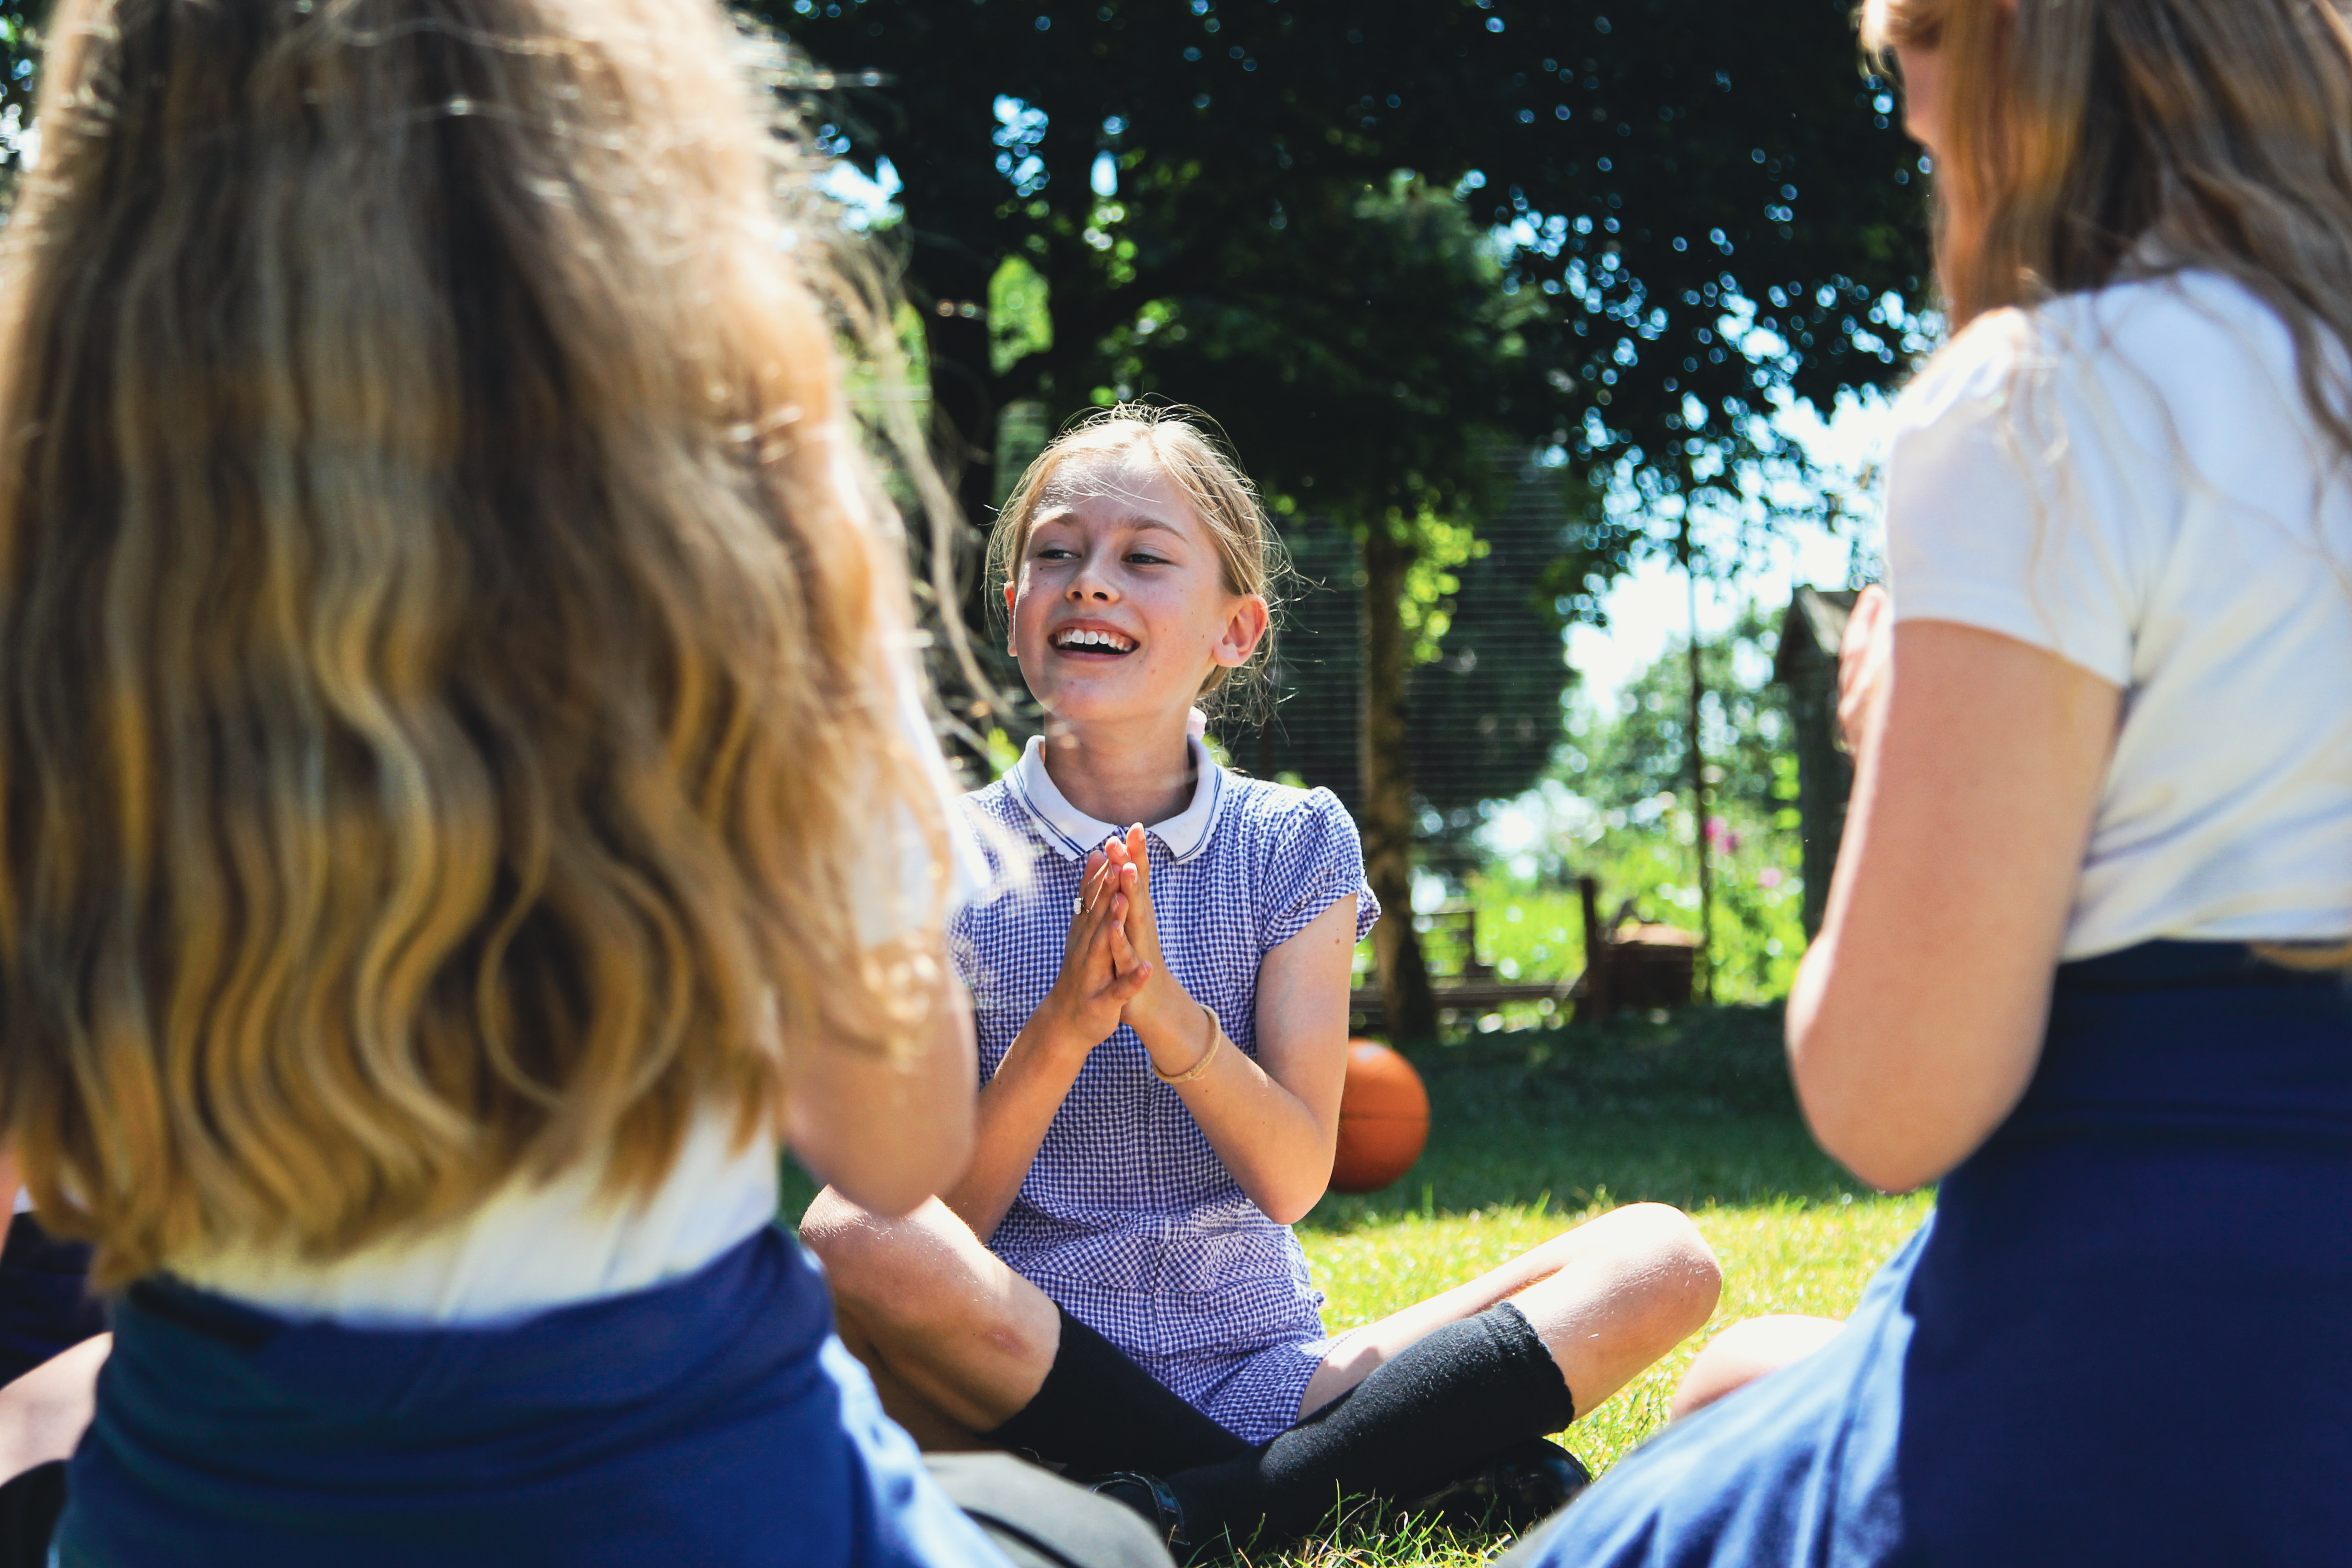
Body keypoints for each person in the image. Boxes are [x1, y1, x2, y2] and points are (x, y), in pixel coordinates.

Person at [0, 1, 1171, 1564]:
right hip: (717, 1515)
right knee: (1091, 1541)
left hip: (192, 1519)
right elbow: (894, 1151)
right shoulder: (749, 583)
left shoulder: (50, 611)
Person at [1502, 0, 2352, 1563]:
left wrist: (1895, 738)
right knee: (1744, 1376)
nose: (1907, 109)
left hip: (2156, 1356)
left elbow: (1891, 1103)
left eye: (1925, 42)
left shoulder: (2047, 395)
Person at [801, 407, 1725, 1551]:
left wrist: (1166, 1014)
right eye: (1057, 552)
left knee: (1663, 1259)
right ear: (1015, 608)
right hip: (1016, 1371)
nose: (1092, 580)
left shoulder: (1295, 843)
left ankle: (1208, 1511)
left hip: (1268, 1375)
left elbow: (1292, 1179)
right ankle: (1360, 1474)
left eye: (1144, 557)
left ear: (1234, 630)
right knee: (853, 1228)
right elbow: (951, 1222)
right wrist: (1065, 1028)